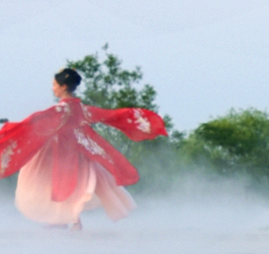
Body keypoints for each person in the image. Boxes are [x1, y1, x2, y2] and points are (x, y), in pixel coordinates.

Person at [0, 68, 166, 229]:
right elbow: (112, 115)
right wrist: (142, 122)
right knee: (75, 187)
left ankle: (68, 220)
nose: (53, 88)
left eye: (54, 84)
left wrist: (10, 128)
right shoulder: (83, 109)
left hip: (63, 154)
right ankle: (68, 220)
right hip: (80, 153)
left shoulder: (61, 109)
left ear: (63, 86)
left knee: (61, 184)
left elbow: (33, 122)